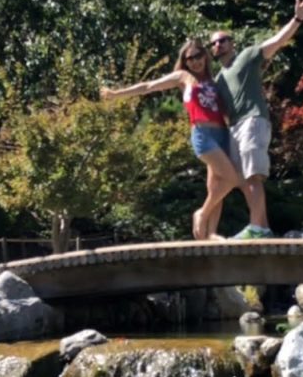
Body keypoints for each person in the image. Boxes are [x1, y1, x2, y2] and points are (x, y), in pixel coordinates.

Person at [100, 39, 237, 241]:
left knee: (216, 189)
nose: (195, 62)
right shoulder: (183, 77)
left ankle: (210, 235)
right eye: (190, 58)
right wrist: (117, 94)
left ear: (205, 56)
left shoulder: (214, 81)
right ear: (185, 61)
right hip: (203, 134)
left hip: (222, 134)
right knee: (231, 178)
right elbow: (148, 86)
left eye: (198, 56)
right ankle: (201, 214)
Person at [210, 0, 303, 239]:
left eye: (223, 40)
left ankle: (256, 227)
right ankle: (263, 228)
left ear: (232, 43)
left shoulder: (247, 57)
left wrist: (297, 20)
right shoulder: (218, 79)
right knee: (241, 177)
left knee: (252, 175)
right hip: (236, 127)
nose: (218, 45)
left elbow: (277, 41)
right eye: (214, 44)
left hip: (252, 120)